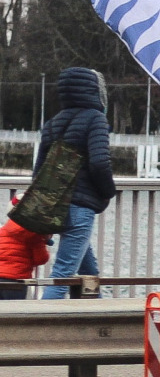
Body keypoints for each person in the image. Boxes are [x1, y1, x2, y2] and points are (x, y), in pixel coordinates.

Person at [38, 67, 116, 299]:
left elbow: (39, 172)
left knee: (88, 271)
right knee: (63, 275)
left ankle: (98, 319)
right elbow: (100, 164)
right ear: (95, 90)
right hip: (81, 207)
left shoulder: (52, 123)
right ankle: (39, 329)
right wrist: (107, 192)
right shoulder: (96, 118)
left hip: (57, 207)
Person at [0, 198, 50, 300]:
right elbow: (41, 259)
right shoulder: (33, 234)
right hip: (16, 281)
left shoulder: (4, 230)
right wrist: (44, 240)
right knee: (13, 312)